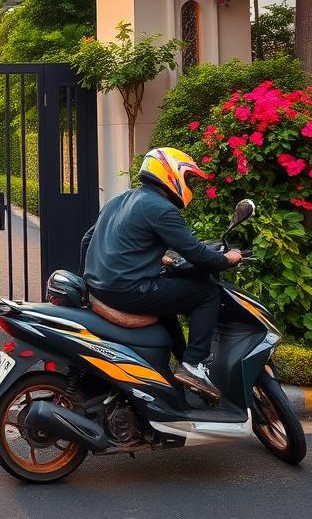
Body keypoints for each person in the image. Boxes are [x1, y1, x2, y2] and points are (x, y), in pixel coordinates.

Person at [79, 147, 242, 402]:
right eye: (188, 179)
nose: (189, 186)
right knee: (206, 295)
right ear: (170, 174)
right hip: (128, 290)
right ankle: (192, 364)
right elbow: (196, 254)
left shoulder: (121, 199)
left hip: (101, 288)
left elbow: (87, 240)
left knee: (168, 299)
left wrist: (153, 258)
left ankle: (176, 364)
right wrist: (227, 259)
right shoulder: (160, 208)